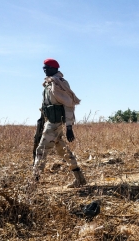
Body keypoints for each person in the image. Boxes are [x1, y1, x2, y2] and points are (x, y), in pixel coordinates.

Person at [33, 58, 86, 188]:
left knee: (41, 149)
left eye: (47, 67)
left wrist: (69, 126)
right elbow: (46, 104)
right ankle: (80, 179)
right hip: (49, 121)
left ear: (55, 68)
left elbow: (68, 105)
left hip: (55, 123)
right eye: (43, 68)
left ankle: (33, 182)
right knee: (63, 150)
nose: (44, 70)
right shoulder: (48, 83)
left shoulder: (60, 83)